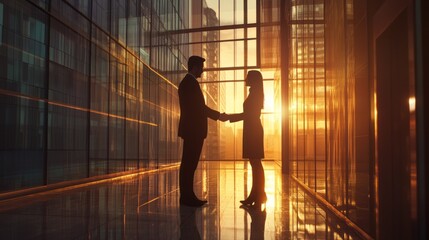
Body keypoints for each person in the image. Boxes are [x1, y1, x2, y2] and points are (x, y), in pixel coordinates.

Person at [178, 55, 228, 207]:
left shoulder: (189, 83)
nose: (203, 70)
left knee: (189, 164)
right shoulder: (189, 84)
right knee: (189, 164)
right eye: (201, 67)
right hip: (193, 130)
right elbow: (200, 108)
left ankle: (187, 196)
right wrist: (218, 116)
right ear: (194, 67)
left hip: (192, 130)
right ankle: (187, 197)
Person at [224, 70, 267, 208]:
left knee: (256, 164)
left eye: (247, 76)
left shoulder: (255, 94)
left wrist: (230, 117)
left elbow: (248, 115)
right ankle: (256, 195)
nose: (245, 78)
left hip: (253, 130)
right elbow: (249, 114)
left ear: (253, 79)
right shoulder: (254, 92)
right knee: (254, 164)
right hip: (251, 129)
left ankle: (259, 196)